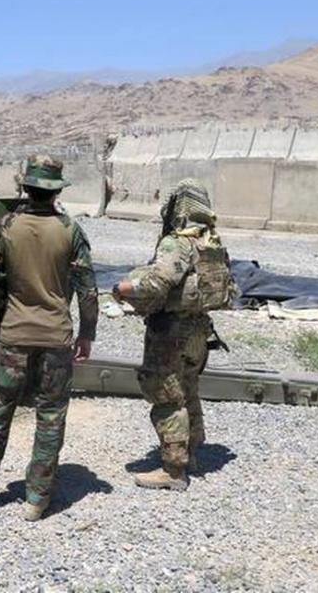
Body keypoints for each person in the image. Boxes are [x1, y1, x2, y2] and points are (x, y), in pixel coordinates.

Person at [0, 155, 98, 521]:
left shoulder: (5, 226)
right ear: (55, 191)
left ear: (27, 187)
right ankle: (36, 499)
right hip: (56, 337)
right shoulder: (71, 231)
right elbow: (88, 290)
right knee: (50, 417)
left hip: (15, 335)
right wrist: (87, 334)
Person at [113, 179, 236, 491]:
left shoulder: (178, 242)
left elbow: (156, 284)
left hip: (172, 332)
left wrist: (123, 289)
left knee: (166, 395)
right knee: (188, 390)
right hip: (199, 330)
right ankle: (191, 451)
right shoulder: (212, 243)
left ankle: (174, 469)